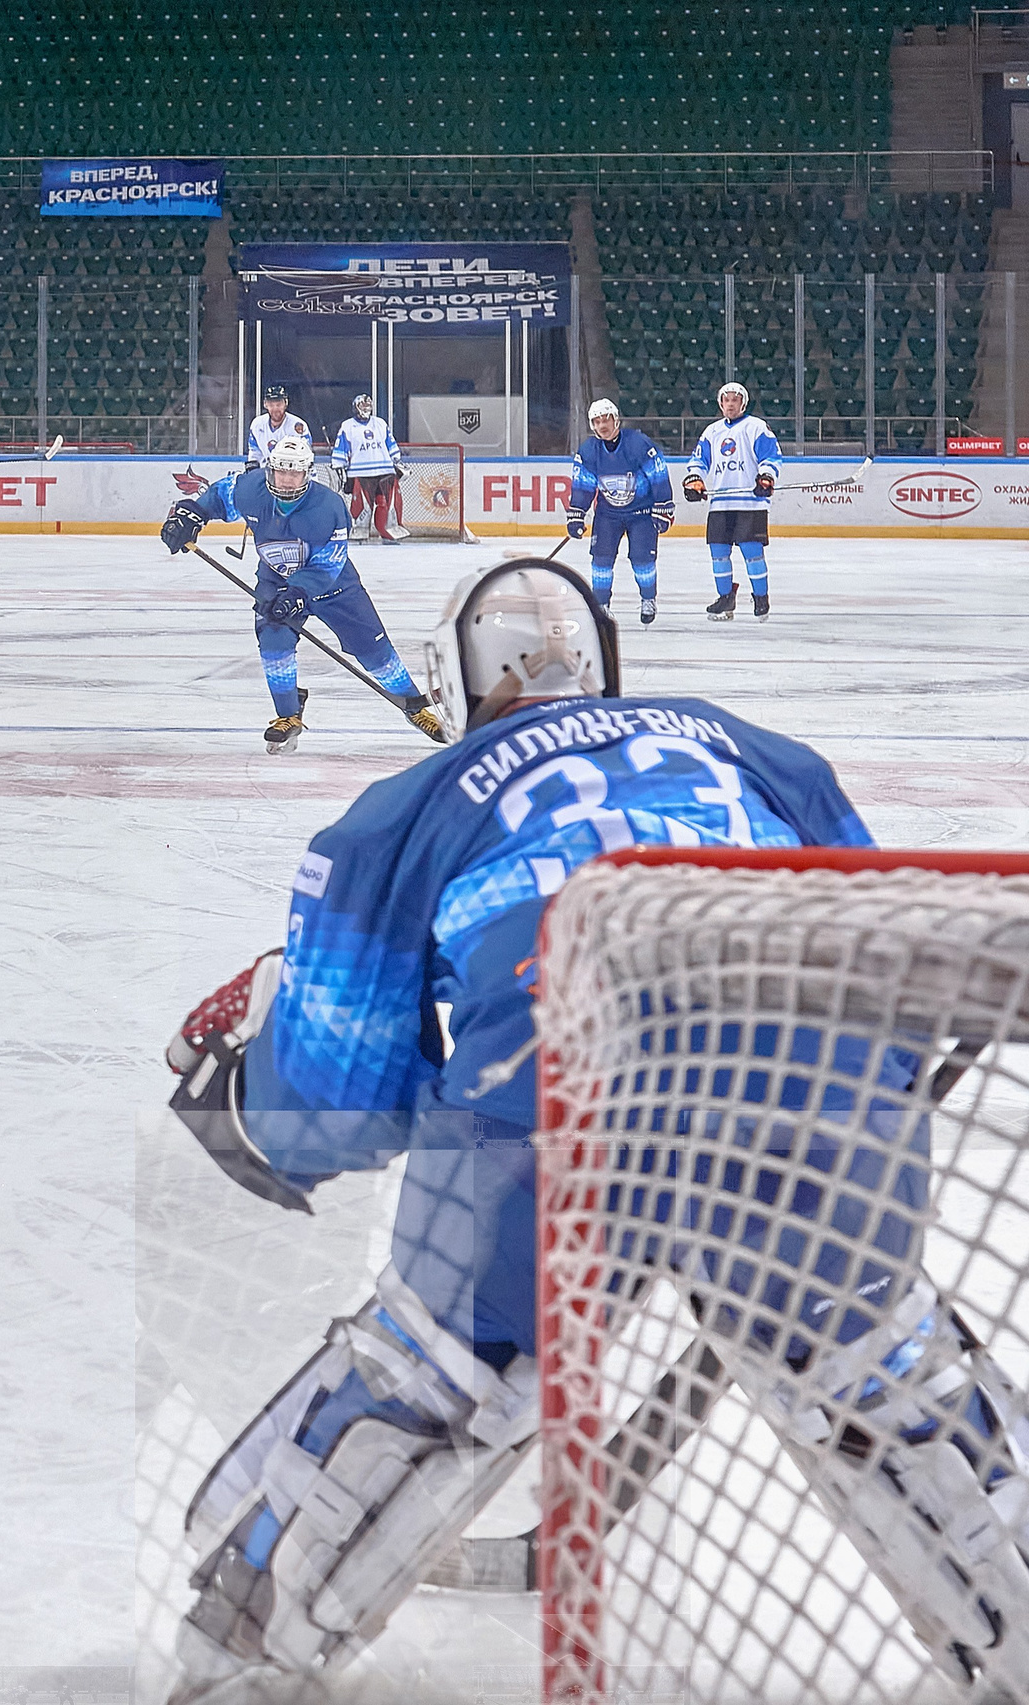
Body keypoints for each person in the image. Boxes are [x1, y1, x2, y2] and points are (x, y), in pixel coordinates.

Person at [152, 558, 976, 1702]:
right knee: (888, 1376)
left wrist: (239, 1101)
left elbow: (341, 1097)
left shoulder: (407, 807)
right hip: (809, 1090)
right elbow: (903, 975)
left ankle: (232, 1659)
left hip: (549, 1106)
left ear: (463, 673)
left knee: (428, 1376)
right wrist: (849, 1116)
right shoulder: (755, 748)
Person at [159, 437, 444, 753]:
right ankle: (288, 715)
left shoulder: (330, 507)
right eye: (281, 471)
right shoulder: (252, 489)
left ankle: (415, 707)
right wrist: (192, 514)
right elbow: (219, 495)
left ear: (308, 473)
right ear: (271, 470)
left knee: (374, 651)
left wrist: (299, 592)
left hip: (334, 587)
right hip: (275, 579)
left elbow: (329, 563)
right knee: (274, 644)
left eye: (295, 473)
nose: (287, 479)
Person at [566, 397, 675, 624]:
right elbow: (583, 485)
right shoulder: (588, 451)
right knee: (601, 560)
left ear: (616, 420)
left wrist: (663, 506)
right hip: (608, 515)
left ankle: (648, 599)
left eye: (606, 419)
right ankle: (601, 605)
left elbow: (658, 475)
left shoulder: (639, 444)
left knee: (642, 560)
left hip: (642, 513)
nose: (602, 426)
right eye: (596, 422)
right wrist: (577, 512)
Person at [683, 379, 781, 621]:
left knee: (752, 551)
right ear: (720, 403)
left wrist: (766, 477)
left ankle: (761, 598)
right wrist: (695, 480)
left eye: (734, 400)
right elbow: (699, 461)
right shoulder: (712, 431)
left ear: (743, 403)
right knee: (718, 552)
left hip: (750, 503)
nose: (730, 404)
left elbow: (771, 456)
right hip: (720, 504)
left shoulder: (756, 427)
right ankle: (725, 597)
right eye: (726, 400)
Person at [329, 393, 402, 543]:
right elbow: (342, 447)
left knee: (386, 504)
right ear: (355, 407)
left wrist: (396, 460)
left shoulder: (380, 423)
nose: (366, 409)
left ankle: (387, 533)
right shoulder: (348, 426)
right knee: (363, 506)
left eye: (368, 406)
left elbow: (390, 443)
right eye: (362, 406)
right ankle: (360, 533)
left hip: (385, 470)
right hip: (360, 472)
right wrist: (338, 466)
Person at [244, 385, 309, 470]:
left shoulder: (297, 425)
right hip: (268, 473)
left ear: (286, 403)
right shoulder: (257, 424)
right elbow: (255, 452)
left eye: (278, 404)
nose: (275, 409)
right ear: (265, 404)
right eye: (271, 404)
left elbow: (305, 454)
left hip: (294, 474)